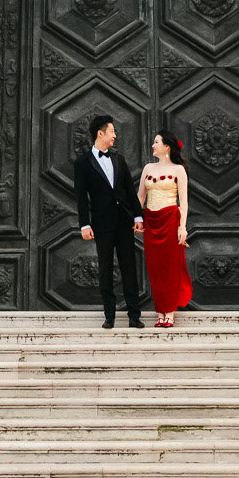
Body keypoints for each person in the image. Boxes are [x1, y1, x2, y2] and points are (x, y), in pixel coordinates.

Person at [73, 115, 144, 329]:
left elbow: (131, 191)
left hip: (123, 222)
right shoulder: (83, 163)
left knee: (129, 268)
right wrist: (84, 224)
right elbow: (80, 196)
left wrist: (138, 216)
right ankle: (110, 316)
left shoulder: (119, 159)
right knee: (105, 269)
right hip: (101, 225)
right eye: (112, 131)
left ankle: (134, 315)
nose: (115, 135)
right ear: (100, 133)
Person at [137, 132, 192, 329]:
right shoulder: (148, 168)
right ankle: (159, 311)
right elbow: (140, 197)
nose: (153, 145)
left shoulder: (179, 170)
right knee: (155, 268)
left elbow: (183, 201)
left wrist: (182, 227)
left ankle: (169, 313)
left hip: (170, 219)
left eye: (156, 142)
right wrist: (137, 219)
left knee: (169, 267)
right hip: (151, 220)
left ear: (167, 146)